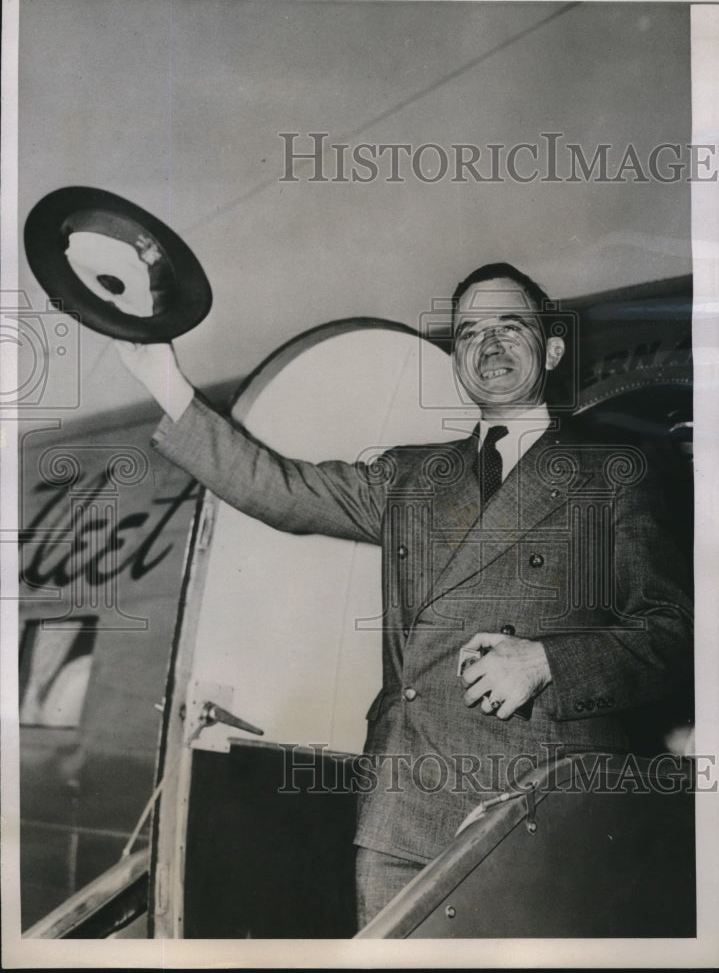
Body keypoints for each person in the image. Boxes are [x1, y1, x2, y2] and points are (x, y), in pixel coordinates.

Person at [116, 262, 693, 930]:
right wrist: (163, 379)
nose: (490, 344)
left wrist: (547, 664)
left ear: (552, 349)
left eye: (511, 326)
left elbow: (674, 634)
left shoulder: (614, 473)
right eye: (470, 331)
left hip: (534, 811)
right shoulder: (411, 477)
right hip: (404, 808)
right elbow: (279, 489)